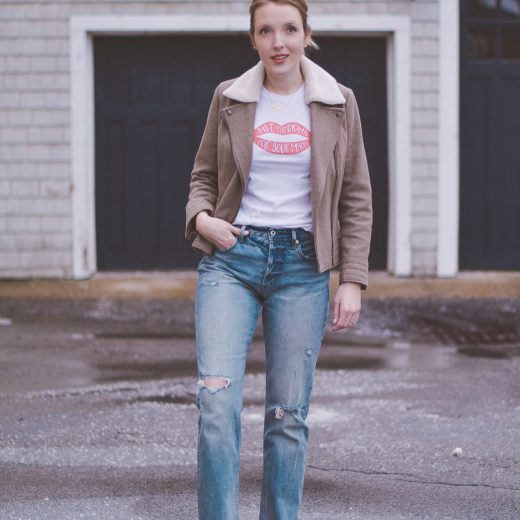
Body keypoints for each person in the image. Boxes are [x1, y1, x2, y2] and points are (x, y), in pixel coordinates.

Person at [185, 1, 372, 518]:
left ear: (306, 33)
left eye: (289, 29)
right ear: (253, 39)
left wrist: (351, 278)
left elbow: (355, 193)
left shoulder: (338, 102)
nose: (278, 42)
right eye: (266, 30)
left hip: (302, 266)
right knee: (217, 405)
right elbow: (203, 176)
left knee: (288, 416)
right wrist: (202, 219)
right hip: (231, 260)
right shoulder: (230, 97)